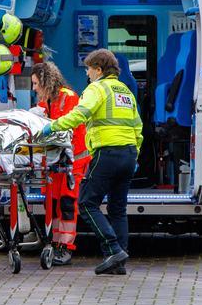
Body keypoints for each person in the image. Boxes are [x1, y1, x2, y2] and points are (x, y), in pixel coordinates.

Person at [40, 49, 143, 275]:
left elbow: (80, 114)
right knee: (118, 209)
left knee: (86, 203)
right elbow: (138, 126)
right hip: (127, 155)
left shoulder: (97, 89)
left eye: (88, 68)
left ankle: (113, 249)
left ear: (98, 69)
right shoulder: (125, 91)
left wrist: (51, 127)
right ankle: (119, 261)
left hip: (107, 153)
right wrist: (134, 152)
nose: (87, 73)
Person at [31, 62, 89, 266]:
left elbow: (70, 126)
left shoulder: (68, 97)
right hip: (57, 161)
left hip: (74, 160)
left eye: (36, 83)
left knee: (66, 202)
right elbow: (33, 118)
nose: (34, 88)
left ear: (46, 81)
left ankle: (65, 247)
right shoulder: (45, 101)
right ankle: (56, 243)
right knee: (54, 202)